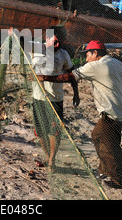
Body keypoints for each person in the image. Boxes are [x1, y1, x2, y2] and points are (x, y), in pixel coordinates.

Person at [37, 40, 122, 188]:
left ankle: (119, 180)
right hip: (121, 112)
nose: (86, 59)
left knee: (109, 146)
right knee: (98, 136)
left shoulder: (96, 65)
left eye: (87, 55)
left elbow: (70, 77)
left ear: (95, 54)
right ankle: (103, 170)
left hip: (111, 113)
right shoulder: (118, 63)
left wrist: (45, 78)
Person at [30, 26, 75, 171]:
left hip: (55, 99)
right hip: (38, 98)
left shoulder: (64, 55)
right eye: (54, 41)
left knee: (54, 132)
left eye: (60, 42)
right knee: (41, 131)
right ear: (46, 39)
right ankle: (48, 156)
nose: (57, 45)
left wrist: (77, 93)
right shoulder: (35, 50)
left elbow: (71, 76)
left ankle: (52, 160)